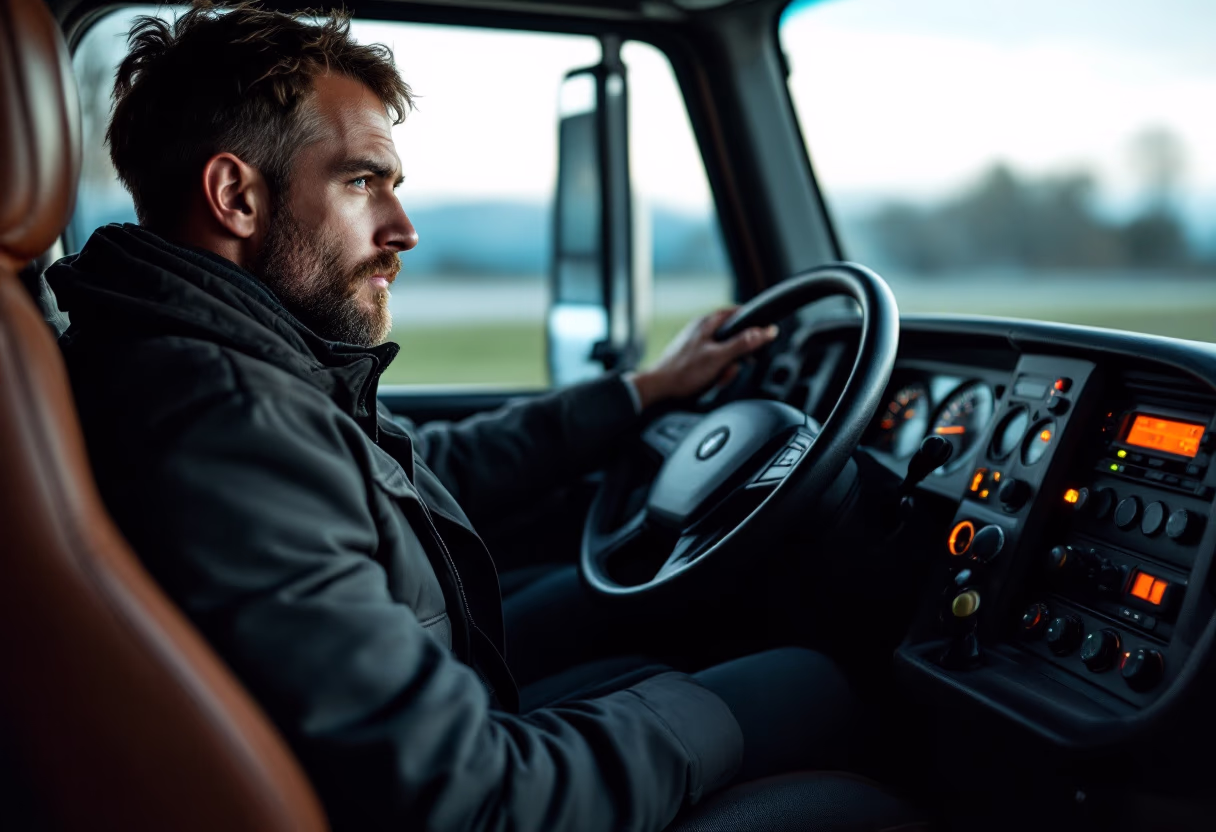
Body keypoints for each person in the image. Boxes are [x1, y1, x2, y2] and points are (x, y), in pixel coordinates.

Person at [48, 3, 859, 829]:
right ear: (235, 197)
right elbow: (471, 801)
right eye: (363, 181)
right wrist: (693, 721)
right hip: (455, 791)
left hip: (414, 736)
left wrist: (640, 394)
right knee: (813, 685)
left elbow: (415, 471)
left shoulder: (216, 357)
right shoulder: (227, 420)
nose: (404, 230)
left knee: (646, 642)